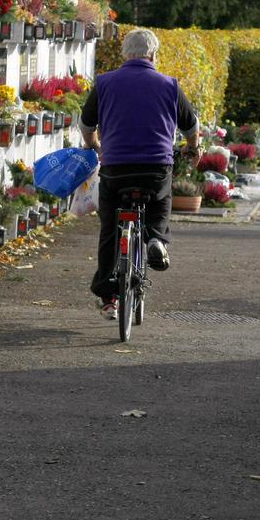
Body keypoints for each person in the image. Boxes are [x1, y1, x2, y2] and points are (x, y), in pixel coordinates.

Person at [79, 28, 200, 319]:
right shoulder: (170, 85)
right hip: (155, 168)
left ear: (124, 55)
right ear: (153, 55)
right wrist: (193, 148)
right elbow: (191, 126)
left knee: (110, 228)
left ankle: (109, 298)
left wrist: (94, 145)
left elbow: (86, 124)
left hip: (116, 169)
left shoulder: (105, 83)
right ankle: (156, 239)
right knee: (161, 199)